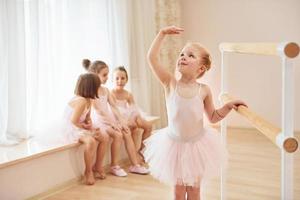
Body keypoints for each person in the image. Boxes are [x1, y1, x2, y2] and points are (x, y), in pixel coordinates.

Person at [143, 26, 247, 200]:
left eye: (191, 55)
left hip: (196, 146)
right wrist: (162, 34)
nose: (183, 57)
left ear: (201, 69)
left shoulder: (203, 90)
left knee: (194, 191)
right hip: (173, 146)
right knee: (177, 192)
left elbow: (213, 116)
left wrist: (228, 106)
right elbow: (151, 58)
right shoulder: (170, 83)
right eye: (182, 54)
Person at [82, 59, 149, 176]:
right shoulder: (93, 92)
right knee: (117, 135)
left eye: (107, 74)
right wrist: (113, 123)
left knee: (123, 133)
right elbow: (100, 112)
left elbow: (114, 107)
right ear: (95, 75)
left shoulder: (106, 90)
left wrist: (122, 122)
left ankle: (130, 165)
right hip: (100, 122)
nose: (107, 77)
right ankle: (112, 165)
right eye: (104, 75)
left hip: (108, 120)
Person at [62, 73, 109, 185]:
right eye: (97, 86)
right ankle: (88, 171)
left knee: (104, 137)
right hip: (71, 128)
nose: (99, 88)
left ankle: (98, 166)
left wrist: (90, 125)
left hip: (79, 126)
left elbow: (87, 118)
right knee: (91, 141)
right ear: (91, 87)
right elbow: (73, 121)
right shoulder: (81, 101)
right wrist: (86, 129)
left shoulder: (89, 100)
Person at [111, 66, 152, 164]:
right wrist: (128, 121)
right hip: (118, 116)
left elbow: (133, 108)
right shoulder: (111, 93)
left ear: (126, 80)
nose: (120, 81)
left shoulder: (128, 94)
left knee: (148, 126)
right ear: (112, 80)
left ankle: (141, 151)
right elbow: (114, 110)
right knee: (133, 128)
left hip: (128, 114)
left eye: (122, 78)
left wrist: (134, 118)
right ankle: (134, 156)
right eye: (117, 78)